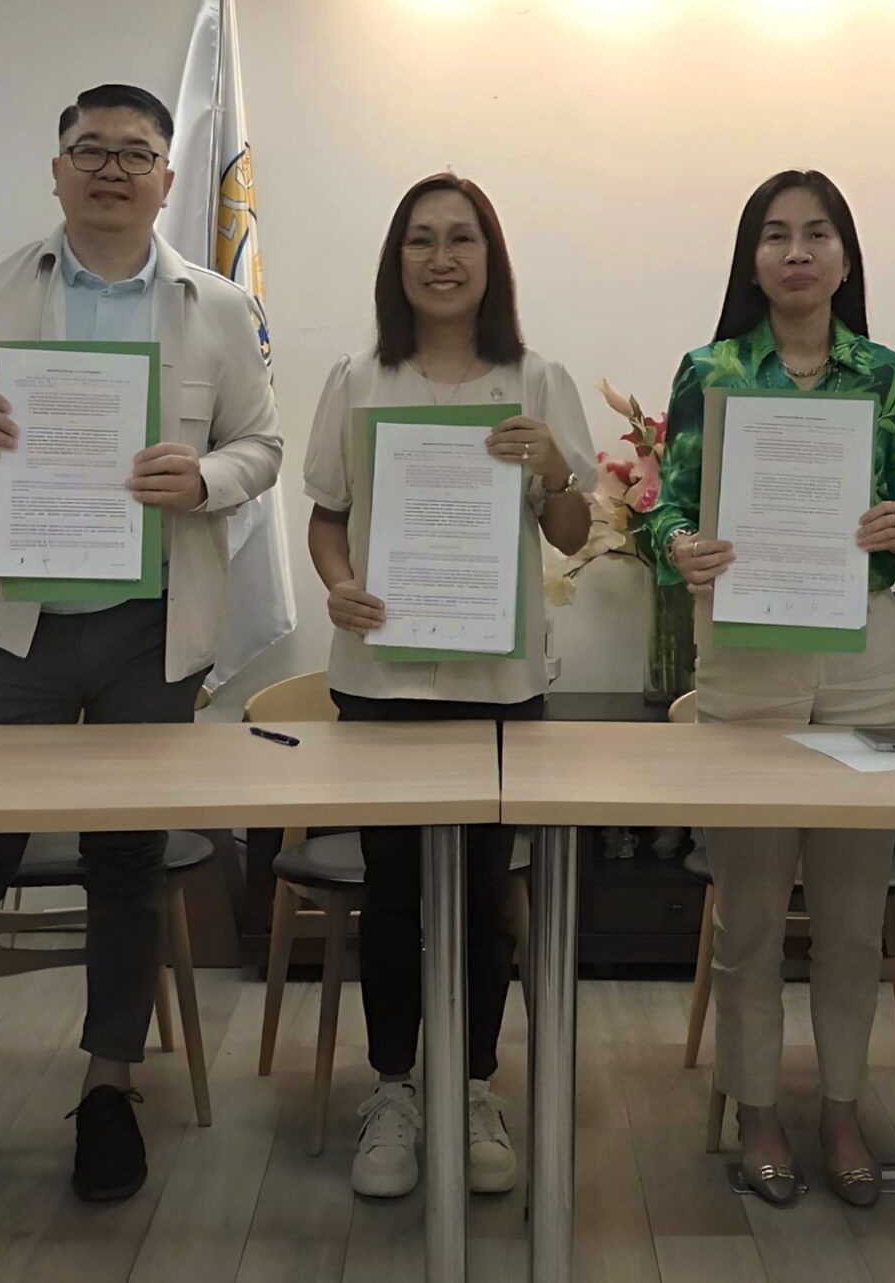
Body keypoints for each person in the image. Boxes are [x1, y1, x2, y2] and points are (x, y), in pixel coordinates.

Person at [0, 83, 282, 1223]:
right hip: (16, 625)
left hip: (152, 631)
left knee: (126, 867)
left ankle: (108, 1091)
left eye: (137, 154)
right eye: (91, 150)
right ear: (57, 169)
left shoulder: (217, 306)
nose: (113, 169)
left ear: (169, 182)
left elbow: (263, 445)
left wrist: (208, 478)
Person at [644, 168, 895, 1209]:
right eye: (773, 236)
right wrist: (679, 543)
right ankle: (760, 1106)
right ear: (751, 259)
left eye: (816, 234)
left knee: (857, 916)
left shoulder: (891, 376)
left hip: (862, 651)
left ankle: (843, 1107)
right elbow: (665, 508)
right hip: (743, 651)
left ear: (846, 256)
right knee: (750, 916)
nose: (796, 252)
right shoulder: (712, 368)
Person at [304, 172, 595, 1199]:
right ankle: (391, 1092)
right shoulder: (356, 376)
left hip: (497, 676)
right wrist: (338, 588)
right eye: (420, 240)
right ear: (397, 262)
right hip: (378, 681)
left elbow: (572, 531)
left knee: (481, 899)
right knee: (390, 897)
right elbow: (328, 517)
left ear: (490, 257)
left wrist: (556, 468)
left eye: (461, 238)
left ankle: (470, 1087)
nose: (440, 257)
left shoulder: (536, 375)